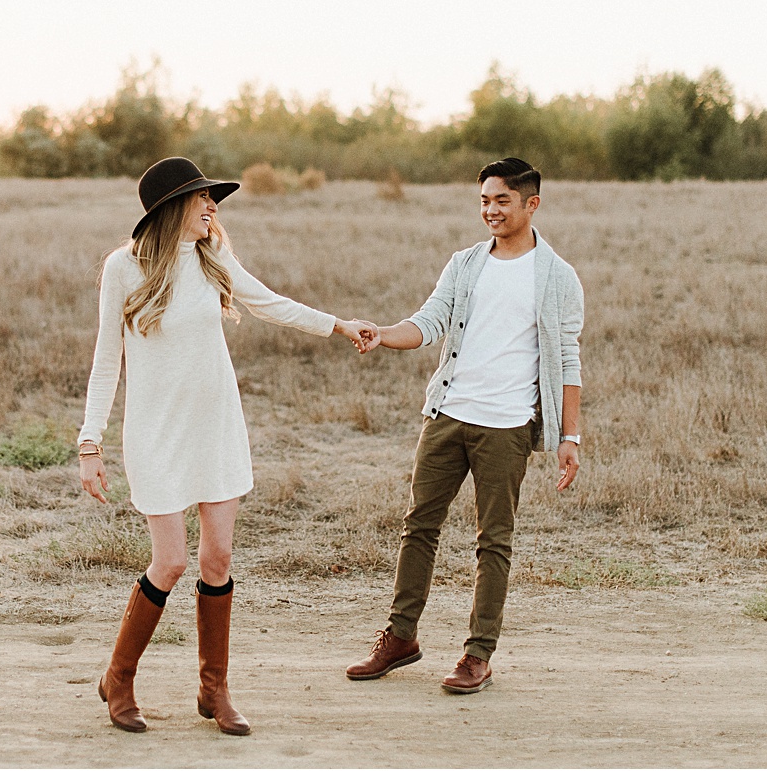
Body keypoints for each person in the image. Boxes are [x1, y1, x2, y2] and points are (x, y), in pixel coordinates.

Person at [77, 156, 376, 735]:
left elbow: (271, 303)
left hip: (215, 426)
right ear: (172, 209)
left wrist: (338, 325)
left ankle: (214, 689)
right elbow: (104, 359)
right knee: (169, 561)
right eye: (201, 198)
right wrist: (90, 443)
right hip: (156, 431)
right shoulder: (123, 268)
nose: (213, 205)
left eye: (213, 197)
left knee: (217, 560)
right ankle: (119, 678)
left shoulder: (214, 261)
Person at [346, 156, 584, 694]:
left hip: (507, 427)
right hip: (449, 416)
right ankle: (400, 637)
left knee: (493, 541)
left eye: (501, 200)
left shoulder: (558, 277)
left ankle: (478, 654)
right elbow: (429, 322)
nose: (490, 211)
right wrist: (384, 333)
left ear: (531, 204)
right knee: (418, 526)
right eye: (483, 201)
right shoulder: (466, 264)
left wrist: (569, 438)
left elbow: (568, 361)